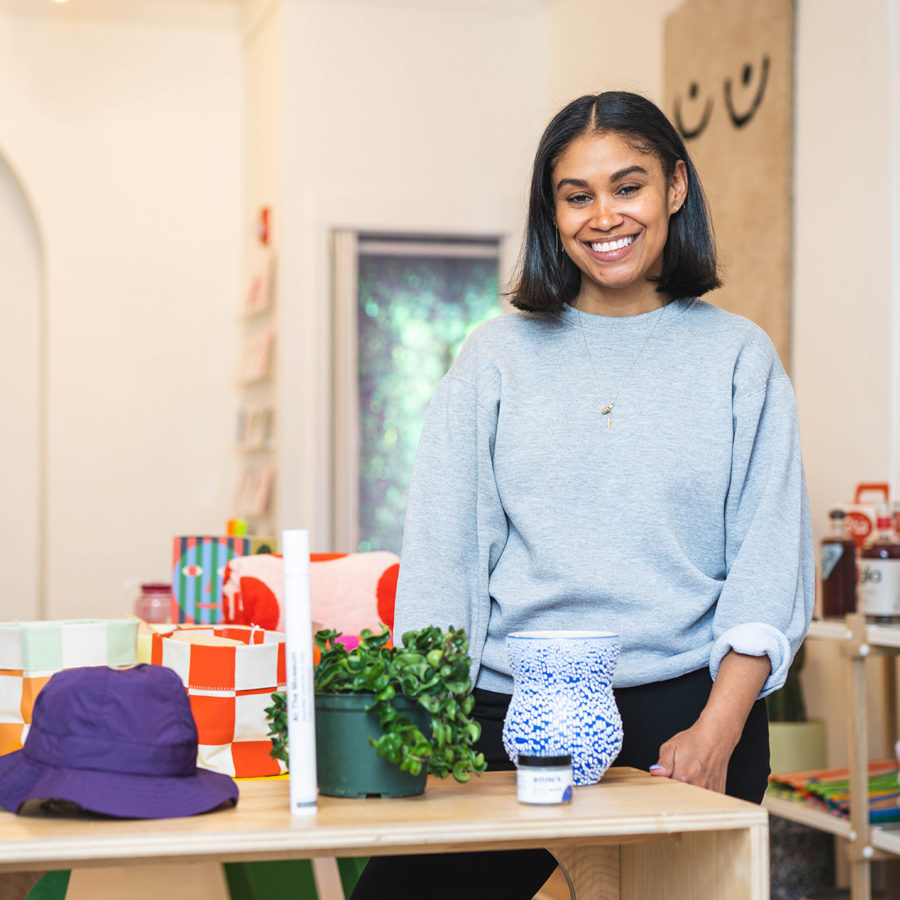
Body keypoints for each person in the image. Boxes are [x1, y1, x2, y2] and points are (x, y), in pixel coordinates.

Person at [350, 90, 813, 900]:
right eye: (577, 196)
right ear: (552, 212)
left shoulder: (740, 358)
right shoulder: (494, 358)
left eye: (627, 187)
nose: (605, 216)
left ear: (674, 187)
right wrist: (425, 724)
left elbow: (767, 568)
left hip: (685, 718)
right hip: (507, 713)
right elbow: (445, 561)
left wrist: (717, 730)